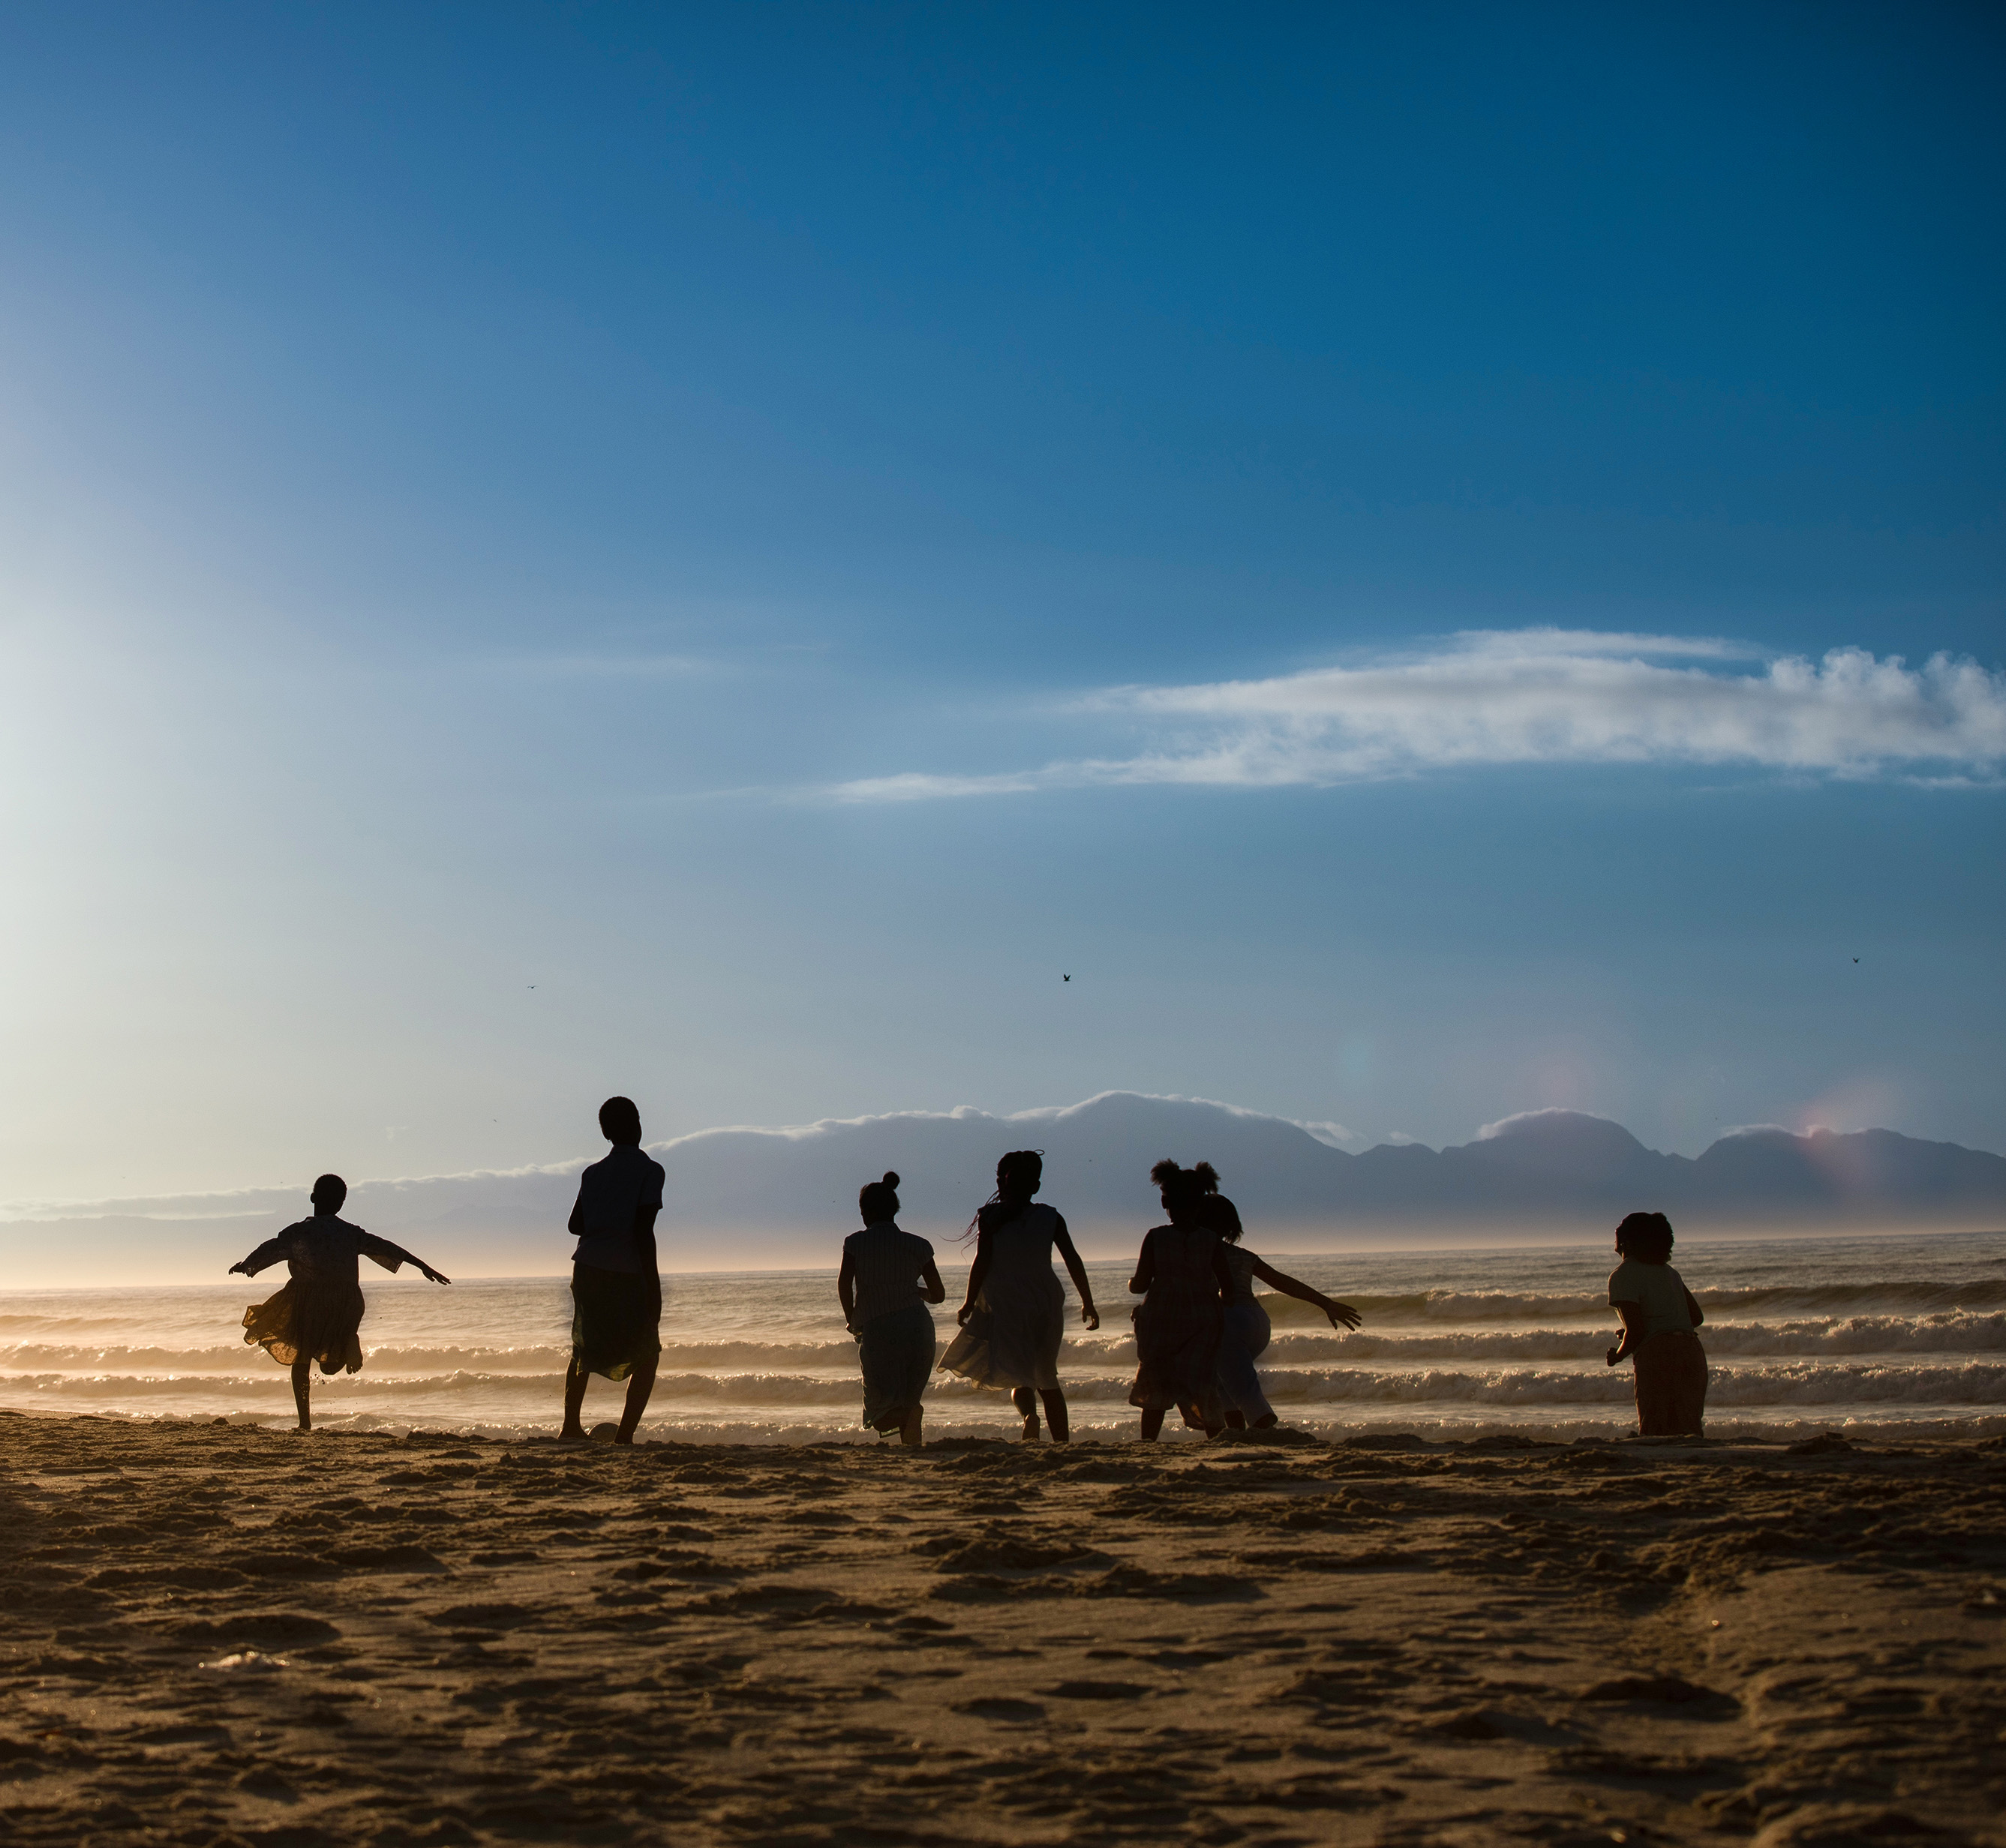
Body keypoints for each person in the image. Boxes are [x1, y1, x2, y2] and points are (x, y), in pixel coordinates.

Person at [232, 1174, 451, 1432]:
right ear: (340, 1205)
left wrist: (247, 1265)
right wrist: (423, 1266)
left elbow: (270, 1249)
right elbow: (387, 1247)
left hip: (309, 1302)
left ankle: (305, 1422)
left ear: (313, 1198)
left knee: (302, 1361)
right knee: (330, 1366)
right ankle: (349, 1339)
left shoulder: (298, 1233)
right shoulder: (350, 1232)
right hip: (347, 1303)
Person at [938, 1150, 1101, 1443]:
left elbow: (981, 1262)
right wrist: (1087, 1302)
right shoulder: (1051, 1217)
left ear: (1002, 1183)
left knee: (1018, 1374)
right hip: (1045, 1301)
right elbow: (1073, 1259)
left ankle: (1029, 1417)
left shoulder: (990, 1218)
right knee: (1047, 1376)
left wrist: (969, 1302)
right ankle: (1062, 1443)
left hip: (1007, 1302)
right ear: (1035, 1186)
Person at [1196, 1184, 1362, 1431]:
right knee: (1226, 1382)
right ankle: (1237, 1437)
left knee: (1244, 1391)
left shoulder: (1199, 1254)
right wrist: (1325, 1303)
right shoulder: (1244, 1255)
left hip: (1227, 1322)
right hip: (1257, 1322)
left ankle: (1268, 1432)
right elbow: (1282, 1281)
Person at [561, 1096, 665, 1445]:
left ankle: (570, 1427)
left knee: (583, 1349)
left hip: (587, 1268)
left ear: (606, 1133)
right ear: (638, 1126)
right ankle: (624, 1437)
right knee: (647, 1353)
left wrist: (603, 1217)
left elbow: (575, 1225)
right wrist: (654, 1287)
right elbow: (643, 1232)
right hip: (626, 1271)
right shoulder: (651, 1171)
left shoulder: (592, 1173)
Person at [837, 1171, 947, 1447]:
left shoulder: (855, 1243)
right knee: (910, 1400)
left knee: (881, 1415)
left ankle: (910, 1429)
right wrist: (911, 1290)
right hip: (918, 1327)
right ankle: (913, 1450)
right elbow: (938, 1295)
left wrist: (851, 1319)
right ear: (894, 1210)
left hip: (880, 1328)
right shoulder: (919, 1245)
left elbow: (844, 1284)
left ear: (865, 1213)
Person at [1127, 1160, 1235, 1440]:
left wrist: (1131, 1284)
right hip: (1203, 1320)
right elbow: (1229, 1289)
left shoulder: (1156, 1237)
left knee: (1157, 1380)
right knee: (1203, 1381)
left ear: (1165, 1202)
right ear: (1200, 1205)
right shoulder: (1211, 1240)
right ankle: (1217, 1440)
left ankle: (1148, 1442)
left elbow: (1140, 1285)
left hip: (1161, 1319)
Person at [1604, 1210, 1708, 1437]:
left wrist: (1618, 1355)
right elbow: (1696, 1318)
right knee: (1688, 1428)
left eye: (1622, 1226)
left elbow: (1637, 1331)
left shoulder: (1622, 1275)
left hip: (1658, 1356)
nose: (1616, 1229)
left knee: (1655, 1428)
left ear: (1627, 1241)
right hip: (1692, 1351)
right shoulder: (1670, 1273)